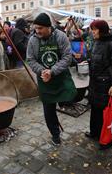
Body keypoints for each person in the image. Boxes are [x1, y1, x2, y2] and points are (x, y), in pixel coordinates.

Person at [26, 12, 77, 146]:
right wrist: (43, 71)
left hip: (60, 76)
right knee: (49, 110)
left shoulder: (61, 36)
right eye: (35, 28)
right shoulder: (33, 40)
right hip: (44, 80)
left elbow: (67, 57)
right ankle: (55, 134)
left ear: (48, 27)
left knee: (71, 96)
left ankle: (64, 103)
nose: (37, 31)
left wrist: (53, 71)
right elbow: (30, 60)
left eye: (40, 28)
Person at [85, 19, 112, 150]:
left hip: (107, 86)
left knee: (105, 113)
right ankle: (95, 133)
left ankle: (106, 140)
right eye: (92, 29)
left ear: (102, 30)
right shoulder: (96, 43)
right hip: (95, 84)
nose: (92, 32)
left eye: (95, 29)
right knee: (95, 110)